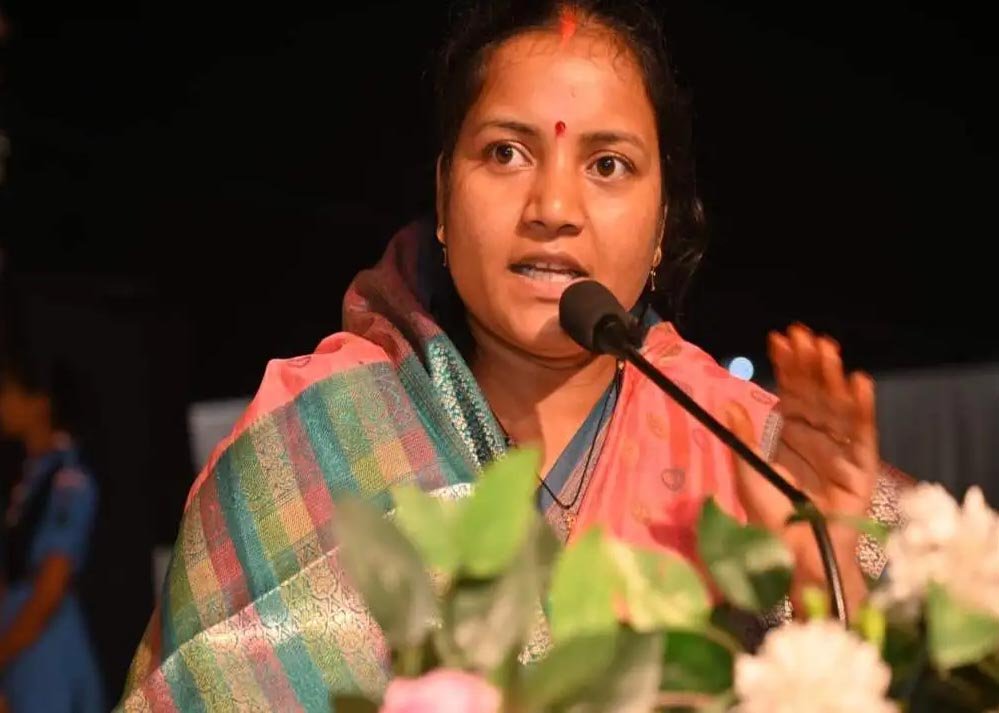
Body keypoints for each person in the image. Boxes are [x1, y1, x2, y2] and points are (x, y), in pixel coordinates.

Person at [118, 0, 908, 709]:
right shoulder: (309, 444)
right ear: (442, 196)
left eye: (607, 165)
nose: (552, 207)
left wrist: (826, 584)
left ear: (661, 221)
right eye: (505, 153)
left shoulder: (756, 453)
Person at [0, 354, 103, 713]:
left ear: (40, 402)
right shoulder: (28, 478)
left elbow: (50, 588)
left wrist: (4, 652)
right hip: (20, 645)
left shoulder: (67, 479)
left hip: (44, 646)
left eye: (8, 392)